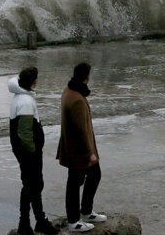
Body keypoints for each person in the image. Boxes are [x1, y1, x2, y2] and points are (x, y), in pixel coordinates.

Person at [57, 63, 107, 233]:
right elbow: (80, 130)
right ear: (87, 77)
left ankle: (85, 212)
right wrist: (89, 153)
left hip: (72, 147)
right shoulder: (77, 99)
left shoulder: (68, 90)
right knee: (75, 183)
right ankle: (74, 220)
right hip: (78, 151)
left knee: (92, 176)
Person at [8, 67, 58, 235]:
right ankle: (26, 224)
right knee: (32, 186)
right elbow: (24, 132)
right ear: (34, 81)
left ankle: (37, 221)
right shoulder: (25, 101)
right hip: (29, 152)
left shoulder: (19, 97)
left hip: (23, 150)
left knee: (33, 185)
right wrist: (33, 151)